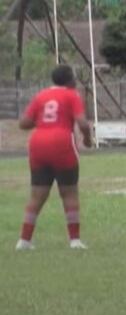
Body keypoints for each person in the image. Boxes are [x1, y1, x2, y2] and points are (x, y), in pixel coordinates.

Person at [16, 64, 93, 251]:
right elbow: (82, 122)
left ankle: (24, 241)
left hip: (38, 144)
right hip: (62, 143)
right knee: (69, 193)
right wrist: (87, 139)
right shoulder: (72, 95)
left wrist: (42, 121)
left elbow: (24, 123)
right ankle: (74, 241)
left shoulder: (41, 96)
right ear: (69, 80)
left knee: (37, 195)